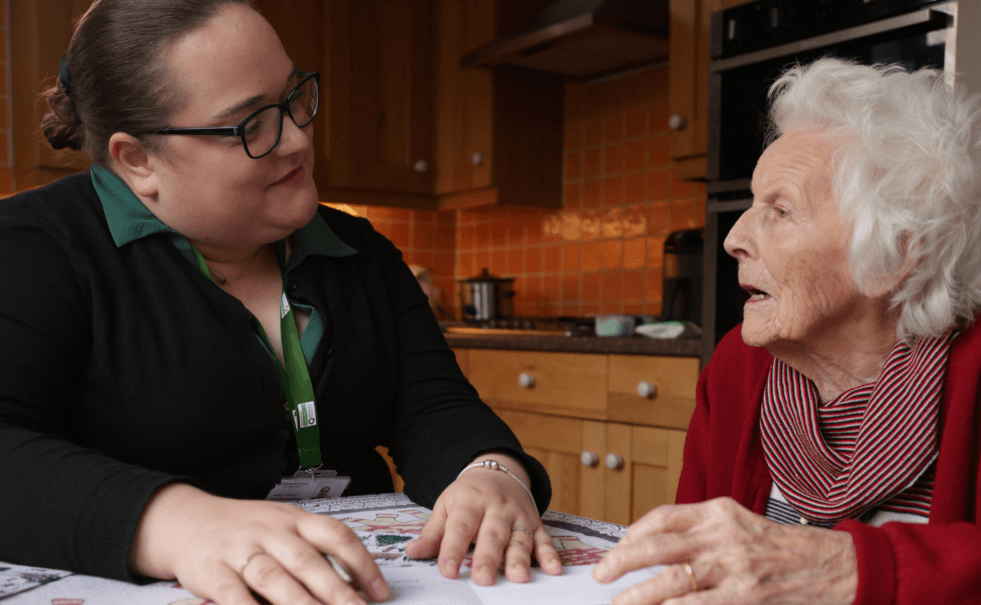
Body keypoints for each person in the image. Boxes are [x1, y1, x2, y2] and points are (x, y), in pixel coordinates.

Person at [0, 1, 563, 604]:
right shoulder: (33, 247)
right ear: (137, 160)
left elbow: (432, 405)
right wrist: (176, 524)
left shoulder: (359, 249)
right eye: (251, 125)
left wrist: (491, 471)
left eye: (294, 98)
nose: (297, 138)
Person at [593, 57, 981, 604]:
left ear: (896, 253)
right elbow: (695, 563)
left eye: (779, 210)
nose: (734, 238)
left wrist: (849, 569)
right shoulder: (738, 367)